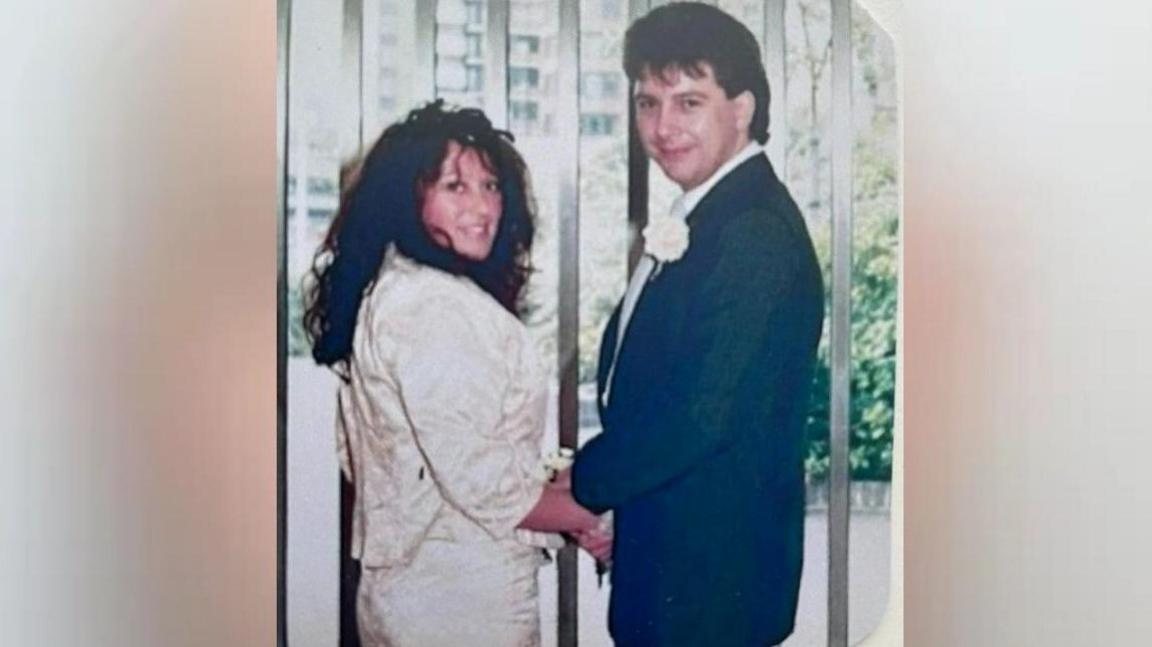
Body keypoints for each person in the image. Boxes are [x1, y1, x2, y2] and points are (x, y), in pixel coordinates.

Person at [569, 3, 825, 645]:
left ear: (741, 109)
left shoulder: (752, 232)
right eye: (647, 102)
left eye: (689, 102)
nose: (662, 125)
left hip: (711, 591)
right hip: (684, 575)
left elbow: (702, 414)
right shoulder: (713, 216)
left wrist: (585, 480)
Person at [303, 101, 602, 646]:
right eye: (455, 187)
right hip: (462, 605)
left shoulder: (393, 289)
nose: (484, 207)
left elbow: (389, 460)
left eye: (491, 186)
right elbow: (487, 486)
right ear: (407, 198)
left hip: (411, 596)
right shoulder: (435, 308)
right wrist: (595, 509)